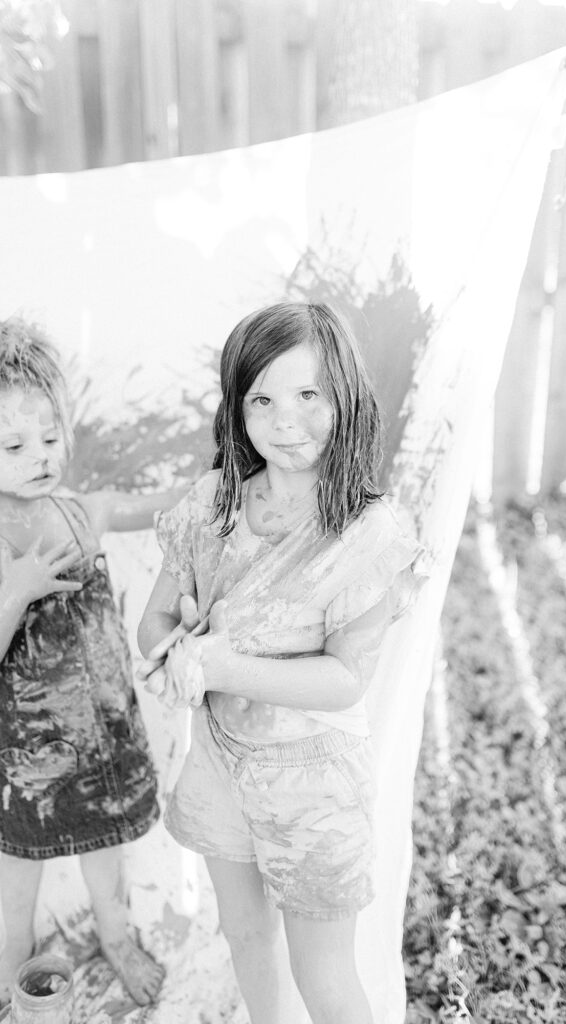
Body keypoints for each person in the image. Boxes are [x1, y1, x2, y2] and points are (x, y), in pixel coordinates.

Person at [137, 301, 425, 1024]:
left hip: (313, 781)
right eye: (261, 398)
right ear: (236, 409)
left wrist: (223, 665)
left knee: (323, 973)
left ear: (345, 400)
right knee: (244, 933)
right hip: (220, 760)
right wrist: (177, 651)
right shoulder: (213, 503)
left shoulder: (368, 532)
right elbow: (154, 623)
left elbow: (344, 678)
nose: (284, 419)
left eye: (308, 395)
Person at [0, 316, 184, 1006]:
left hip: (101, 740)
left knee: (106, 848)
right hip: (24, 760)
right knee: (17, 866)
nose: (40, 454)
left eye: (50, 437)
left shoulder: (82, 513)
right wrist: (16, 591)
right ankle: (11, 952)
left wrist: (217, 488)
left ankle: (116, 935)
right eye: (14, 444)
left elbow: (158, 508)